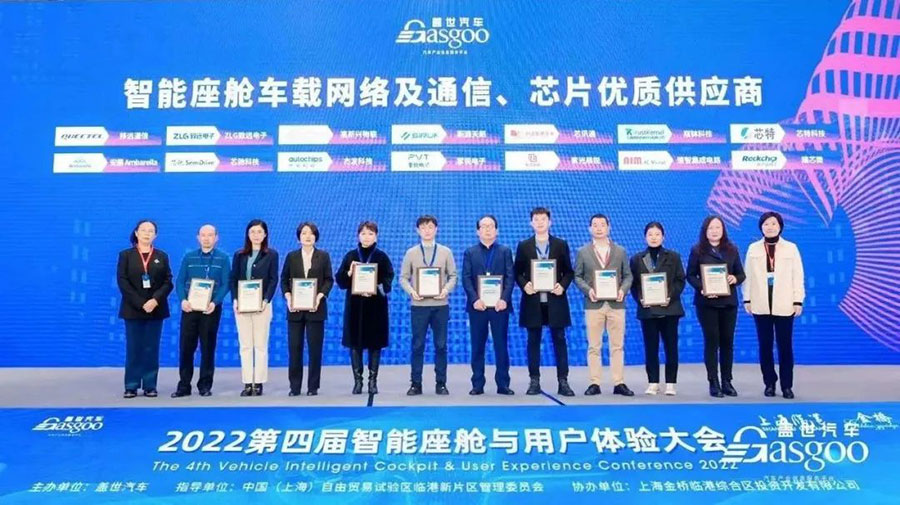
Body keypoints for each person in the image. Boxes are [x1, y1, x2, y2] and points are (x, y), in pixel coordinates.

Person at [514, 207, 576, 397]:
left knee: (560, 340)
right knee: (533, 341)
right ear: (531, 223)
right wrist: (524, 285)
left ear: (550, 222)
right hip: (533, 301)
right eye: (536, 219)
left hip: (555, 301)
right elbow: (517, 272)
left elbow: (569, 272)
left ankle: (563, 381)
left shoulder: (560, 244)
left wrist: (562, 286)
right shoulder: (524, 246)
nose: (540, 222)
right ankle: (534, 381)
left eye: (543, 219)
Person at [743, 211, 805, 399]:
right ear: (761, 227)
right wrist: (747, 299)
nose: (769, 227)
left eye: (773, 224)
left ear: (780, 227)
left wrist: (798, 300)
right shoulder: (753, 248)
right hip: (760, 303)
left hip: (784, 304)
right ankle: (769, 383)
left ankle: (787, 385)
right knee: (765, 345)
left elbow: (798, 276)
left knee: (785, 346)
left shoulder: (791, 248)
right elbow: (748, 276)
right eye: (766, 224)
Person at [574, 213, 634, 397]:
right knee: (594, 346)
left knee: (617, 345)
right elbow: (577, 276)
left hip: (616, 304)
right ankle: (595, 382)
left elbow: (628, 275)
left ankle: (619, 382)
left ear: (609, 227)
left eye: (602, 224)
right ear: (589, 228)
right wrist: (588, 290)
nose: (599, 228)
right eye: (595, 225)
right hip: (593, 304)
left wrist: (623, 290)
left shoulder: (620, 251)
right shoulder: (583, 252)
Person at [686, 215, 746, 398]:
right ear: (705, 231)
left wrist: (734, 278)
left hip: (728, 303)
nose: (714, 231)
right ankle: (713, 381)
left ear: (723, 230)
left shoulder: (732, 249)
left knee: (727, 341)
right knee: (712, 341)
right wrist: (702, 288)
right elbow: (690, 275)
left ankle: (727, 381)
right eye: (711, 228)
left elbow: (741, 274)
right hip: (707, 303)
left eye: (718, 227)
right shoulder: (697, 250)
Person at [399, 215, 458, 396]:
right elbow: (403, 278)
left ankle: (441, 383)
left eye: (430, 227)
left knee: (441, 345)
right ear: (418, 230)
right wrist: (412, 292)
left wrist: (445, 290)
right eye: (423, 227)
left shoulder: (446, 252)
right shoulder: (411, 253)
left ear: (436, 229)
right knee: (418, 345)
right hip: (419, 306)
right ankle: (416, 384)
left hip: (440, 305)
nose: (427, 230)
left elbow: (453, 276)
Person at [171, 224, 231, 398]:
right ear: (198, 237)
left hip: (211, 309)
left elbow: (226, 283)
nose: (206, 238)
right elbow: (180, 281)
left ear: (216, 238)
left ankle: (205, 385)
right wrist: (183, 300)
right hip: (190, 309)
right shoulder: (189, 257)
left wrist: (215, 302)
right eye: (203, 235)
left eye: (210, 235)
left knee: (208, 347)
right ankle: (184, 385)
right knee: (186, 348)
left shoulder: (223, 258)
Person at [335, 221, 395, 395]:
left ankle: (372, 381)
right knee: (355, 344)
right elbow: (340, 280)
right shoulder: (351, 256)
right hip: (355, 307)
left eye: (370, 234)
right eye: (363, 233)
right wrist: (349, 272)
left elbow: (388, 279)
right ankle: (358, 381)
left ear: (376, 236)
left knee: (375, 344)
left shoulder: (382, 257)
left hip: (376, 307)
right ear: (358, 236)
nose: (366, 237)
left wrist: (376, 287)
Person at [116, 219, 173, 398]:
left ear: (155, 235)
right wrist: (141, 303)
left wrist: (155, 300)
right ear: (136, 233)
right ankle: (131, 385)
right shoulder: (126, 255)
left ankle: (150, 385)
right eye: (143, 230)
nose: (147, 233)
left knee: (151, 348)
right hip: (133, 309)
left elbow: (168, 282)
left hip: (156, 309)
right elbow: (122, 282)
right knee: (134, 348)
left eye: (151, 231)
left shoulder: (162, 256)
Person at [629, 222, 685, 396]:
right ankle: (653, 382)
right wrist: (640, 299)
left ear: (663, 237)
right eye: (650, 234)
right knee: (651, 347)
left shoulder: (673, 257)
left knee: (671, 347)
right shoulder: (637, 259)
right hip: (648, 311)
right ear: (645, 237)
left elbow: (680, 280)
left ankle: (670, 383)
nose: (654, 238)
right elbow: (633, 284)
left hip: (670, 309)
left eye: (657, 234)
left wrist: (670, 296)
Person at [461, 215, 516, 395]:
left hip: (500, 306)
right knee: (478, 345)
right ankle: (477, 384)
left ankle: (503, 383)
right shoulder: (470, 252)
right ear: (478, 231)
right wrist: (475, 299)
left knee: (501, 345)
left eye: (491, 226)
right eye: (483, 226)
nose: (487, 229)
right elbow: (466, 278)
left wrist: (504, 299)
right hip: (478, 306)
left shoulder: (505, 251)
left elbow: (510, 277)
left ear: (496, 230)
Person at [281, 222, 334, 396]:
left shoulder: (323, 256)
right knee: (295, 348)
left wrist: (319, 297)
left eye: (311, 233)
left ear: (316, 236)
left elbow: (329, 280)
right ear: (299, 237)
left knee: (315, 349)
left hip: (316, 309)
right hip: (295, 311)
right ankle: (294, 387)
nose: (307, 236)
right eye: (304, 233)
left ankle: (313, 387)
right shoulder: (292, 257)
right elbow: (284, 280)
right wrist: (288, 297)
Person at [230, 219, 278, 397]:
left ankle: (258, 382)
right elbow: (233, 279)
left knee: (260, 345)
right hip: (242, 306)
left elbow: (273, 279)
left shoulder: (271, 255)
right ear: (247, 235)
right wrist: (235, 299)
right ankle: (247, 382)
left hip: (262, 305)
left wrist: (265, 300)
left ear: (265, 234)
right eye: (252, 232)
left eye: (259, 232)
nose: (256, 235)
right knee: (245, 345)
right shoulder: (239, 255)